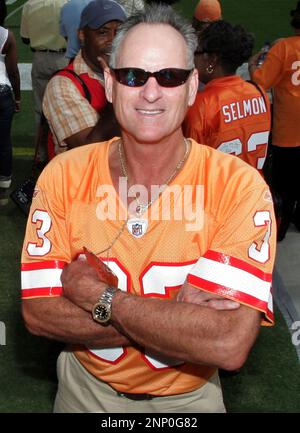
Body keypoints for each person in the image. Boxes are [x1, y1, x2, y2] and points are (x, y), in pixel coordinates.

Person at [21, 4, 276, 413]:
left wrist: (100, 297)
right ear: (110, 81)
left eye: (170, 77)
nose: (151, 92)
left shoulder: (239, 186)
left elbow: (227, 343)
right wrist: (178, 319)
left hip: (189, 401)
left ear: (193, 86)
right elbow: (39, 314)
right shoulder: (63, 175)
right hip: (85, 393)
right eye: (133, 76)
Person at [183, 20, 271, 174]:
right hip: (254, 192)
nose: (193, 58)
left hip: (218, 195)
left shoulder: (200, 106)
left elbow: (189, 168)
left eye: (197, 51)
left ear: (212, 60)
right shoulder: (259, 92)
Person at [43, 0, 126, 156]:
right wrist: (118, 88)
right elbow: (89, 152)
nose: (114, 40)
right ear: (82, 35)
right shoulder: (63, 85)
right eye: (103, 32)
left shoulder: (132, 73)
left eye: (120, 32)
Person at [249, 1, 300, 240]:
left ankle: (278, 230)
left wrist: (253, 64)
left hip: (288, 135)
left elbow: (261, 81)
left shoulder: (284, 48)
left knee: (283, 189)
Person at [20, 0, 68, 163]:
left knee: (40, 110)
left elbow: (25, 39)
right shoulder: (66, 5)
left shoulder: (30, 5)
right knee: (64, 108)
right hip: (62, 58)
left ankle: (40, 154)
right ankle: (62, 152)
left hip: (40, 57)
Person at [0, 15, 21, 190]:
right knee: (4, 140)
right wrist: (18, 96)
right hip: (2, 91)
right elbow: (13, 71)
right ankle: (4, 181)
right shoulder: (6, 35)